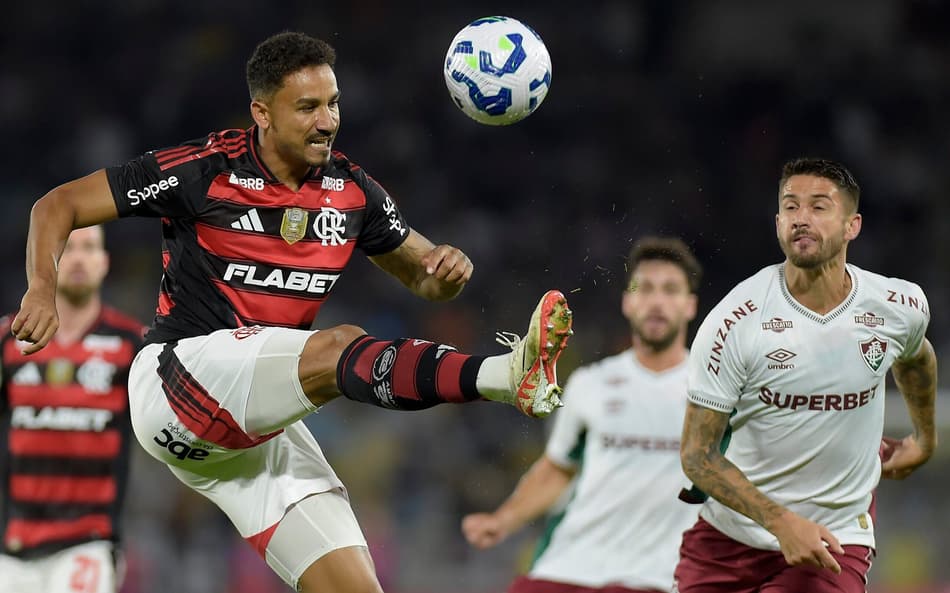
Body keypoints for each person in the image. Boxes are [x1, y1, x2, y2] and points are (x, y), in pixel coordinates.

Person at [11, 31, 574, 593]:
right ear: (262, 111)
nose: (326, 121)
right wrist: (42, 288)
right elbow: (57, 205)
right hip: (178, 380)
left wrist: (444, 269)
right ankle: (504, 375)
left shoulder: (353, 192)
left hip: (252, 430)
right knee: (336, 347)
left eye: (332, 104)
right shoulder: (204, 169)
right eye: (307, 107)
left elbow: (423, 276)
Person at [675, 157, 938, 593]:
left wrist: (925, 438)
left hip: (835, 539)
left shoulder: (898, 306)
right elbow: (697, 455)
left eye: (819, 207)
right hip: (728, 542)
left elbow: (917, 357)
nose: (801, 218)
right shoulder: (733, 323)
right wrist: (781, 522)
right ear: (778, 222)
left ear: (852, 225)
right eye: (791, 207)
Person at [463, 236, 704, 593]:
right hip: (570, 567)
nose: (657, 301)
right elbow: (558, 468)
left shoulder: (712, 392)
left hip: (659, 577)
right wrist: (503, 520)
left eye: (670, 290)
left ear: (690, 305)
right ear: (627, 301)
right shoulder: (591, 384)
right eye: (645, 288)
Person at [0, 226, 145, 593]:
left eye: (89, 248)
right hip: (12, 542)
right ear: (47, 263)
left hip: (88, 541)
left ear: (104, 262)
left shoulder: (133, 345)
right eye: (69, 249)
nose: (79, 258)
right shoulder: (7, 340)